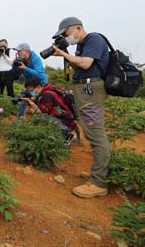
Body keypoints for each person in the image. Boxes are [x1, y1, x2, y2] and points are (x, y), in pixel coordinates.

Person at [51, 17, 110, 199]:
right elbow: (80, 65)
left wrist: (63, 54)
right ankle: (97, 172)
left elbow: (85, 64)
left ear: (77, 28)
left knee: (95, 134)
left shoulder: (93, 39)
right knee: (92, 132)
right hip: (85, 89)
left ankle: (98, 183)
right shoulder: (82, 45)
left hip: (90, 90)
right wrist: (67, 54)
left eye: (66, 34)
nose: (66, 38)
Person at [22, 77, 78, 144]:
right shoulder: (48, 90)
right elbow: (39, 100)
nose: (31, 93)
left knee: (41, 118)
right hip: (68, 119)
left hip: (66, 123)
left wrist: (30, 102)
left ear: (38, 87)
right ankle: (60, 133)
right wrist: (29, 100)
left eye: (32, 91)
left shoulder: (46, 95)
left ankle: (67, 135)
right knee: (42, 117)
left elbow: (42, 112)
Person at [10, 43, 48, 119]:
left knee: (40, 104)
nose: (17, 53)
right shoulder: (21, 60)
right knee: (22, 99)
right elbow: (15, 73)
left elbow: (38, 74)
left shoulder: (35, 59)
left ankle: (42, 122)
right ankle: (19, 121)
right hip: (30, 85)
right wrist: (14, 66)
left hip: (41, 85)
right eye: (17, 51)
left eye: (19, 51)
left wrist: (25, 68)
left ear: (26, 51)